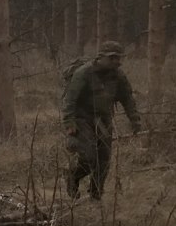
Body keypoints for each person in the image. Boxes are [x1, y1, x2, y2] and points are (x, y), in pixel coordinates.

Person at [61, 40, 143, 200]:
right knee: (88, 156)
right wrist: (69, 123)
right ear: (101, 57)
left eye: (119, 58)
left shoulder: (118, 76)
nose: (117, 62)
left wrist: (135, 121)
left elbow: (128, 99)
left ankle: (96, 194)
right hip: (82, 118)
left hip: (103, 120)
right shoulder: (83, 73)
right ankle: (73, 177)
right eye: (112, 58)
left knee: (104, 159)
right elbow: (70, 100)